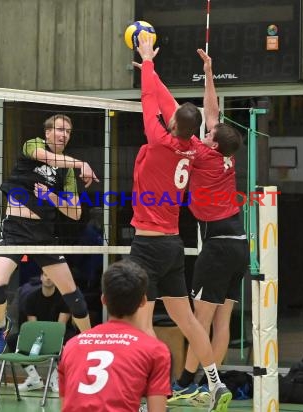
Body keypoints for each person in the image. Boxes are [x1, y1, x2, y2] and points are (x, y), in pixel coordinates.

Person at [128, 32, 231, 411]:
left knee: (142, 325)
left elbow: (148, 101)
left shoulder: (157, 141)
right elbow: (167, 102)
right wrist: (149, 69)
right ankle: (215, 384)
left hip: (148, 245)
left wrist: (148, 65)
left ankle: (149, 394)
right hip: (174, 244)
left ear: (170, 125)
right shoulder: (198, 148)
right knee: (187, 321)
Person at [171, 49, 248, 404]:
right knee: (222, 321)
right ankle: (211, 387)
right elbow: (213, 111)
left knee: (198, 322)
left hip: (217, 246)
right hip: (240, 243)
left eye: (211, 130)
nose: (209, 126)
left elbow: (189, 124)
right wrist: (208, 72)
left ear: (213, 142)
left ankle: (186, 382)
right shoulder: (226, 155)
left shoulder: (202, 154)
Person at [0, 114, 97, 356]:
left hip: (44, 235)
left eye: (67, 131)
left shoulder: (65, 173)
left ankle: (89, 341)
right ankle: (1, 327)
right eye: (58, 129)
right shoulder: (33, 145)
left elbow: (75, 212)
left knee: (73, 295)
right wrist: (81, 164)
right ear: (47, 133)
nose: (63, 134)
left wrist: (52, 197)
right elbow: (45, 157)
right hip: (15, 231)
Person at [59, 259, 171, 412]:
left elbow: (66, 405)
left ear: (103, 300)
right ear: (144, 301)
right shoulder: (155, 350)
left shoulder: (72, 346)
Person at [6, 271, 72, 392]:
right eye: (45, 275)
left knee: (71, 344)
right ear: (41, 277)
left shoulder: (63, 298)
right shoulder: (32, 298)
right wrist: (39, 336)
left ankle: (55, 377)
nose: (48, 278)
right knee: (13, 340)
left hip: (58, 334)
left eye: (51, 276)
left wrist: (51, 339)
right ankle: (34, 378)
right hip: (39, 334)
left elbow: (60, 326)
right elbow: (33, 326)